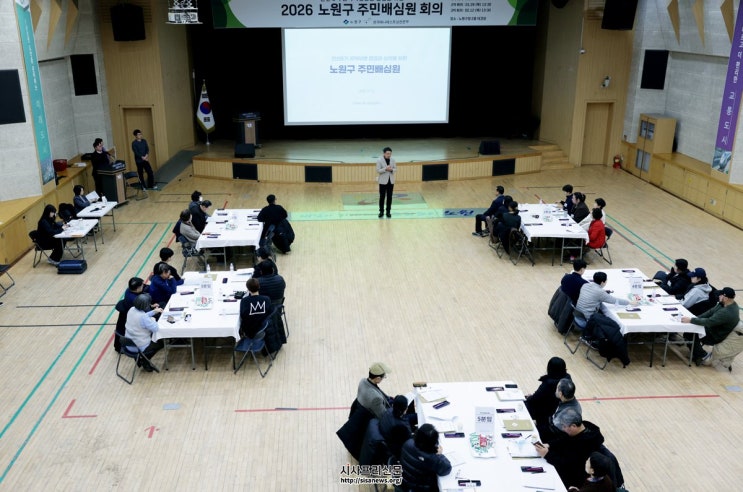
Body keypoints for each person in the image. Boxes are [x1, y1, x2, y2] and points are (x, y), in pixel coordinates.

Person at [534, 408, 605, 489]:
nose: (563, 429)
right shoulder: (584, 426)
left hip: (573, 477)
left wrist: (547, 454)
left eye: (564, 426)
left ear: (573, 426)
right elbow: (565, 438)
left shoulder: (584, 445)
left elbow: (567, 464)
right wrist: (549, 444)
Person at [681, 287, 740, 365]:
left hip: (714, 335)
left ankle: (702, 355)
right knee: (691, 329)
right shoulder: (724, 304)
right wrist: (696, 318)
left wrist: (691, 320)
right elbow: (710, 312)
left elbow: (709, 322)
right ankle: (696, 351)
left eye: (721, 295)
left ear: (725, 298)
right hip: (712, 328)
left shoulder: (726, 312)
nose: (719, 296)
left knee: (689, 333)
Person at [525, 357, 571, 436]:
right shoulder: (567, 379)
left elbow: (534, 399)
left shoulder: (548, 383)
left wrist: (529, 397)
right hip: (554, 409)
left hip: (543, 411)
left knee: (522, 405)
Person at [399, 423, 452, 490]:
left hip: (405, 481)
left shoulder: (408, 443)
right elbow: (447, 469)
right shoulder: (432, 458)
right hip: (420, 488)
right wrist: (439, 454)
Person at [124, 293, 164, 371]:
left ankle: (141, 359)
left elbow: (143, 315)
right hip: (139, 345)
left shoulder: (131, 309)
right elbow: (155, 328)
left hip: (128, 343)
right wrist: (153, 319)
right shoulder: (143, 318)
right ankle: (144, 361)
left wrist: (154, 312)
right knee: (160, 343)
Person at [114, 277, 149, 353]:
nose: (143, 286)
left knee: (120, 329)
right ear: (137, 288)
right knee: (122, 330)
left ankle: (118, 346)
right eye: (142, 286)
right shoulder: (134, 299)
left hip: (125, 312)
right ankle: (119, 347)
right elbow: (144, 309)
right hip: (127, 316)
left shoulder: (129, 290)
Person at [376, 147, 396, 218]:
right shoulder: (379, 160)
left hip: (391, 181)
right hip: (382, 181)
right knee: (382, 197)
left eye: (390, 153)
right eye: (387, 153)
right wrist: (385, 169)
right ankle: (381, 211)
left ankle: (388, 212)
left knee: (389, 197)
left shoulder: (393, 159)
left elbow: (395, 169)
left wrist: (391, 170)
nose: (389, 155)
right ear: (384, 153)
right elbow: (378, 170)